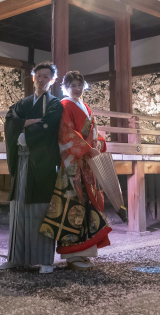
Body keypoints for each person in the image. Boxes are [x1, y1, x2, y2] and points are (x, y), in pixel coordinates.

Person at [40, 70, 111, 271]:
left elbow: (96, 132)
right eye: (73, 86)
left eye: (80, 85)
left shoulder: (86, 107)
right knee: (73, 207)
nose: (77, 89)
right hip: (73, 165)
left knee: (90, 206)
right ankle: (72, 255)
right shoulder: (65, 105)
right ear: (65, 88)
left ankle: (84, 252)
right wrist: (88, 150)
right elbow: (66, 133)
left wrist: (98, 146)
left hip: (88, 163)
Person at [0, 61, 64, 274]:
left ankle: (45, 260)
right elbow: (10, 118)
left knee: (40, 209)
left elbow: (49, 125)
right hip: (22, 162)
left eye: (47, 76)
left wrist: (23, 128)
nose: (42, 79)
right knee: (19, 208)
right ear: (33, 77)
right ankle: (17, 258)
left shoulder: (55, 104)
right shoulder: (24, 102)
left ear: (52, 81)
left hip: (42, 163)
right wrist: (30, 122)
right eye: (39, 75)